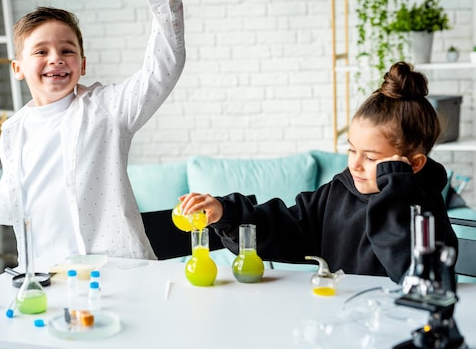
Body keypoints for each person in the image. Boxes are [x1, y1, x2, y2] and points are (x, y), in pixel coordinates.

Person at [0, 0, 185, 270]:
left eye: (67, 50)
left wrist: (163, 4)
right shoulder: (13, 131)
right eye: (41, 51)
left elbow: (161, 71)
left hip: (118, 269)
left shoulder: (108, 109)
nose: (56, 59)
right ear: (18, 69)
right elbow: (14, 206)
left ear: (82, 64)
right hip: (46, 275)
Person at [179, 61, 458, 284]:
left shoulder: (424, 212)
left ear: (414, 165)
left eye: (371, 158)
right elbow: (282, 227)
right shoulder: (337, 194)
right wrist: (225, 212)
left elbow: (415, 276)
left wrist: (395, 188)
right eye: (351, 150)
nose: (355, 165)